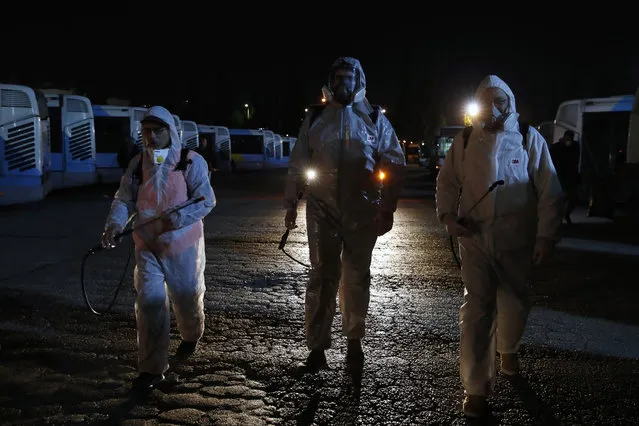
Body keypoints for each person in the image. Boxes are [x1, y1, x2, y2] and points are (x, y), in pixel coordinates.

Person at [435, 75, 564, 418]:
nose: (494, 107)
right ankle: (475, 390)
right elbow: (447, 181)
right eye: (487, 99)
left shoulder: (527, 138)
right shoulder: (465, 141)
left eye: (501, 100)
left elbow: (550, 189)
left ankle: (508, 349)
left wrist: (545, 236)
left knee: (515, 300)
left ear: (510, 103)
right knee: (477, 310)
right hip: (475, 239)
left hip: (516, 239)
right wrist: (449, 216)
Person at [283, 57, 406, 373]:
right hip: (322, 208)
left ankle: (354, 342)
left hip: (362, 209)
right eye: (338, 79)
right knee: (322, 277)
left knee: (355, 278)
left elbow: (393, 160)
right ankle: (317, 347)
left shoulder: (374, 118)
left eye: (349, 79)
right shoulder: (316, 117)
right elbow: (298, 161)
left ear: (359, 81)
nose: (343, 85)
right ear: (330, 82)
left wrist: (387, 205)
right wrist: (290, 203)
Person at [101, 105, 216, 392]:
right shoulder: (138, 164)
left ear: (171, 132)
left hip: (183, 248)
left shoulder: (191, 162)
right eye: (146, 131)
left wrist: (179, 218)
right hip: (148, 247)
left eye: (157, 130)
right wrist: (114, 224)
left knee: (187, 296)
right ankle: (151, 369)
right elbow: (124, 199)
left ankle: (191, 333)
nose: (151, 137)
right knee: (151, 303)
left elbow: (206, 200)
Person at [550, 130, 581, 224]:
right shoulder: (556, 147)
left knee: (572, 198)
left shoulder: (575, 146)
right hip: (560, 176)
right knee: (560, 198)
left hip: (571, 176)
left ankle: (565, 214)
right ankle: (559, 216)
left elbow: (576, 160)